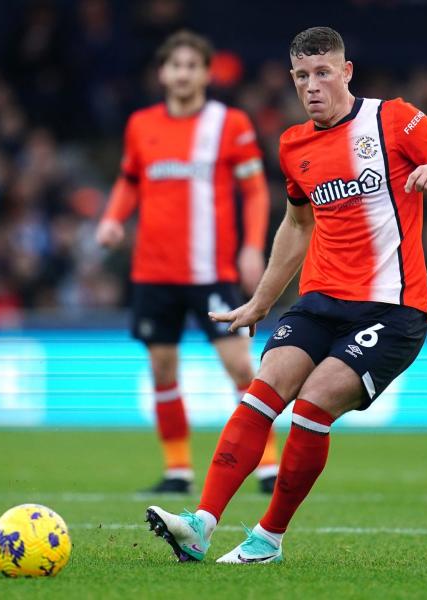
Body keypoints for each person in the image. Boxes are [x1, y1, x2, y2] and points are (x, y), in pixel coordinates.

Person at [144, 26, 427, 563]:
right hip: (321, 300)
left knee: (312, 404)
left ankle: (268, 538)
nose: (312, 85)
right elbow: (297, 226)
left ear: (346, 72)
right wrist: (261, 300)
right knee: (261, 392)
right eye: (302, 76)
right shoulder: (293, 144)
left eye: (323, 72)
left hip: (393, 309)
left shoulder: (394, 119)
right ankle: (201, 526)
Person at [96, 30, 279, 495]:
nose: (182, 73)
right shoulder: (141, 125)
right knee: (162, 369)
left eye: (191, 65)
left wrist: (252, 246)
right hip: (153, 272)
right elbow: (129, 180)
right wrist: (113, 219)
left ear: (205, 72)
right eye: (174, 65)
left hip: (210, 271)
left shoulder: (229, 123)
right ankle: (177, 471)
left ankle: (267, 465)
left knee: (239, 365)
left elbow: (255, 191)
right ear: (162, 73)